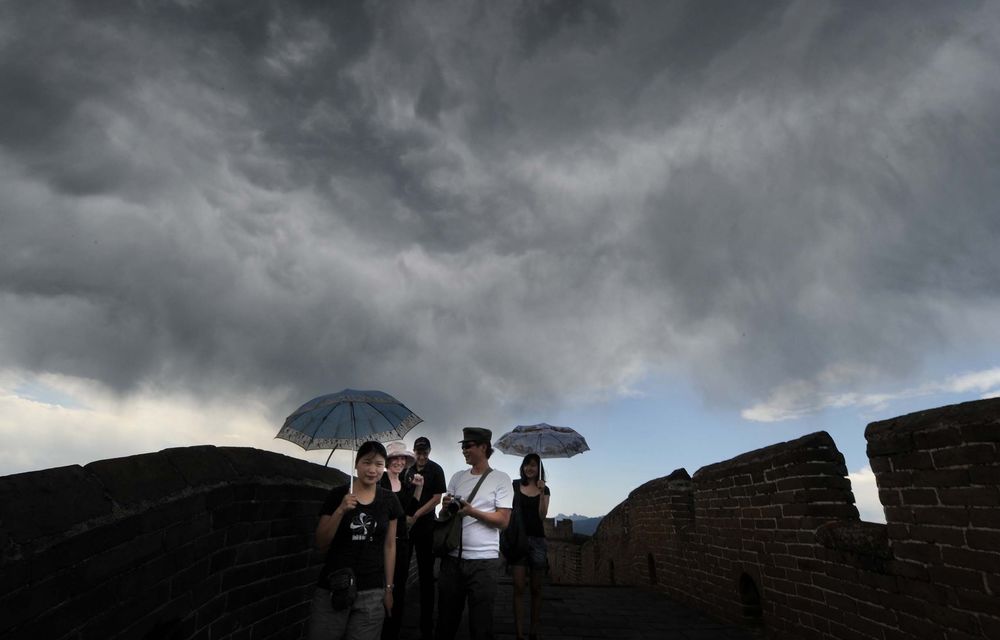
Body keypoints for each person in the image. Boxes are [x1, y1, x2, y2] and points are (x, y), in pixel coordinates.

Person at [308, 441, 404, 640]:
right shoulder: (338, 496)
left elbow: (390, 545)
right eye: (366, 462)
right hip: (333, 588)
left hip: (372, 591)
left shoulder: (389, 500)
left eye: (378, 464)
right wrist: (341, 510)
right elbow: (321, 542)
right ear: (356, 463)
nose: (372, 470)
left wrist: (389, 589)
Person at [436, 427, 512, 640]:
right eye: (463, 446)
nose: (464, 450)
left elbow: (504, 521)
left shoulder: (500, 479)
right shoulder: (457, 477)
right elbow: (445, 514)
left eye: (468, 446)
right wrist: (445, 507)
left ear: (483, 447)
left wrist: (472, 511)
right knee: (445, 623)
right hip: (452, 560)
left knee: (481, 626)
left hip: (484, 563)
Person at [403, 436, 447, 640]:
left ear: (429, 451)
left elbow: (437, 499)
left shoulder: (436, 470)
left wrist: (416, 515)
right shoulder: (406, 469)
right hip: (406, 526)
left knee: (426, 576)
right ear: (414, 451)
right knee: (400, 573)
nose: (421, 456)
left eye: (424, 452)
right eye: (418, 452)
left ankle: (426, 624)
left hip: (426, 526)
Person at [380, 442, 423, 640]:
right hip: (383, 542)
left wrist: (418, 489)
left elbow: (410, 512)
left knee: (399, 587)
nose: (399, 461)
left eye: (402, 458)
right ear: (388, 461)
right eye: (395, 458)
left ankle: (393, 631)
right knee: (381, 587)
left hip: (402, 542)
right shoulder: (380, 481)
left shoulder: (405, 485)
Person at [510, 454, 550, 640]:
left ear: (538, 467)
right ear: (523, 467)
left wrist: (542, 493)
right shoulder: (515, 485)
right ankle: (519, 633)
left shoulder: (545, 488)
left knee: (536, 589)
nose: (529, 468)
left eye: (533, 465)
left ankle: (533, 631)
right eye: (527, 464)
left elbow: (542, 516)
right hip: (519, 539)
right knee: (518, 587)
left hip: (537, 541)